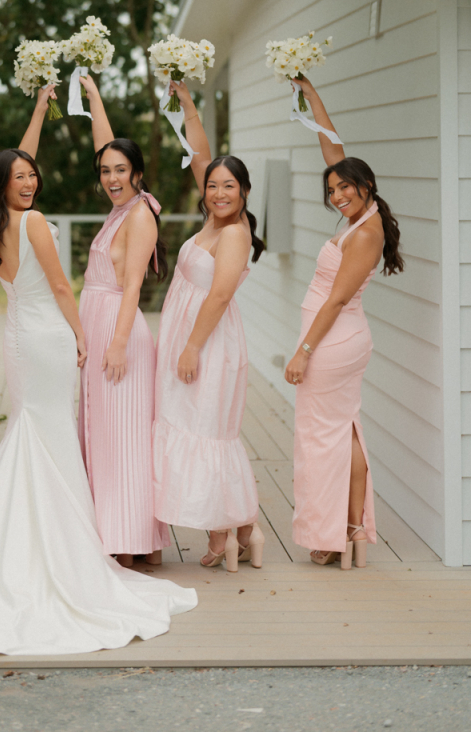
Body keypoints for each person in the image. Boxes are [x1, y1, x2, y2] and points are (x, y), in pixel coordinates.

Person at [0, 88, 197, 655]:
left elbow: (20, 247)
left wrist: (42, 112)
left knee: (31, 434)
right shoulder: (36, 222)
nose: (28, 182)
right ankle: (57, 552)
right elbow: (62, 286)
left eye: (31, 176)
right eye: (18, 177)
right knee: (47, 439)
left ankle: (27, 541)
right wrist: (80, 333)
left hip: (19, 342)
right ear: (6, 185)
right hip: (46, 339)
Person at [284, 78, 404, 568]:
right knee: (341, 431)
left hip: (332, 341)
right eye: (331, 189)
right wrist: (311, 95)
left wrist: (302, 352)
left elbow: (334, 302)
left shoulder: (367, 233)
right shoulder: (364, 215)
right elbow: (334, 152)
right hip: (335, 339)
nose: (336, 195)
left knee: (321, 437)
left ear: (366, 186)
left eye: (344, 187)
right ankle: (349, 526)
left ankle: (334, 532)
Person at [153, 82, 264, 570]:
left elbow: (219, 295)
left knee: (207, 431)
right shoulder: (214, 220)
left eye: (229, 186)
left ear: (244, 193)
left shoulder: (236, 234)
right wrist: (186, 99)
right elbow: (198, 151)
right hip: (190, 334)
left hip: (209, 341)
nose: (219, 192)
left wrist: (191, 347)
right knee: (190, 426)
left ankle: (227, 534)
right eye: (212, 185)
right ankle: (242, 531)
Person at [73, 74, 169, 567]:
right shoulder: (119, 208)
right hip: (99, 325)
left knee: (123, 439)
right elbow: (105, 145)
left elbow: (134, 286)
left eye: (121, 170)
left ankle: (128, 541)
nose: (112, 177)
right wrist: (92, 97)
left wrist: (116, 342)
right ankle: (124, 536)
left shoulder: (140, 215)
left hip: (121, 333)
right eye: (106, 170)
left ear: (137, 173)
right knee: (102, 435)